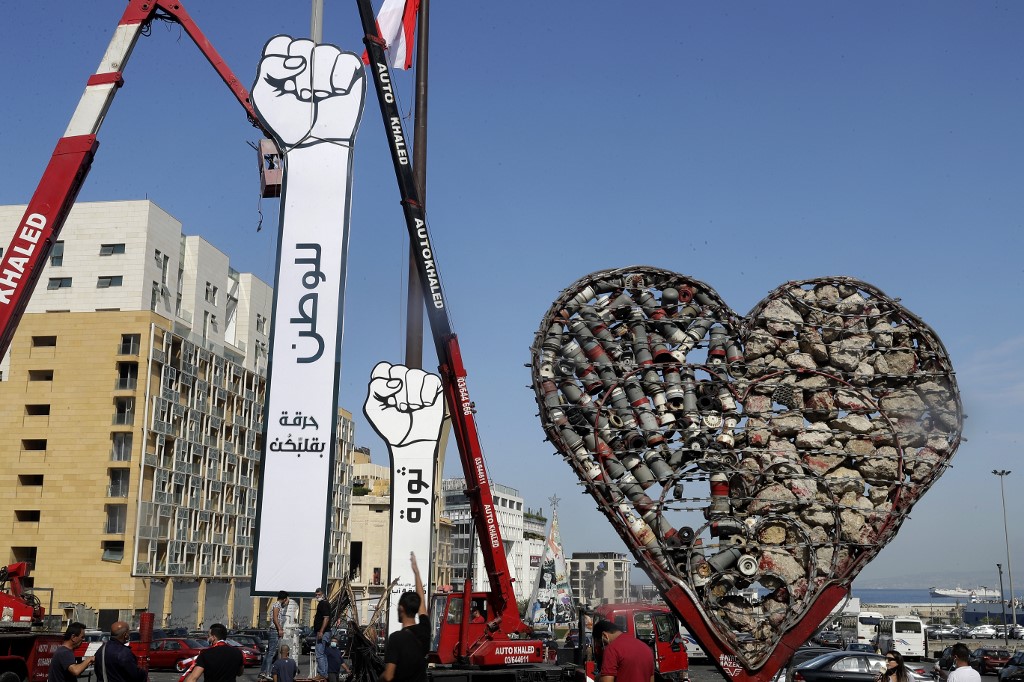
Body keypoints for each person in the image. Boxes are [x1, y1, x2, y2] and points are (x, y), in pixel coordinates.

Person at [380, 552, 430, 682]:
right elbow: (422, 605)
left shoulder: (396, 638)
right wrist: (417, 573)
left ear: (401, 608)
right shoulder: (425, 629)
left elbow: (388, 676)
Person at [259, 591, 288, 681]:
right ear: (284, 598)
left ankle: (263, 671)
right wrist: (279, 629)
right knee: (271, 653)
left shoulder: (279, 605)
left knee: (269, 652)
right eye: (286, 599)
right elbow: (275, 618)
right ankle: (267, 672)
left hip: (274, 630)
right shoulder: (276, 605)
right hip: (274, 630)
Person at [313, 587, 332, 680]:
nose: (317, 596)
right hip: (325, 632)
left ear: (323, 594)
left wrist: (321, 631)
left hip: (323, 633)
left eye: (319, 594)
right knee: (323, 653)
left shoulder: (323, 604)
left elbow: (326, 618)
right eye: (316, 595)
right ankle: (324, 673)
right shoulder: (323, 603)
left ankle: (322, 673)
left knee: (319, 653)